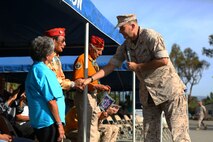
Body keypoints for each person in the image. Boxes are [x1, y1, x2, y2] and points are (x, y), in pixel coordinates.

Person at [83, 14, 191, 142]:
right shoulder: (125, 46)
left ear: (132, 25)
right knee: (150, 137)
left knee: (180, 136)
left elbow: (163, 60)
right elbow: (111, 65)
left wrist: (138, 66)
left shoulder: (151, 36)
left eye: (122, 28)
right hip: (149, 95)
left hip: (170, 91)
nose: (120, 31)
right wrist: (89, 79)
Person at [25, 36, 66, 142]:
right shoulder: (43, 71)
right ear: (47, 55)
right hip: (49, 122)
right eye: (52, 51)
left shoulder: (36, 69)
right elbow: (51, 101)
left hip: (44, 121)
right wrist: (59, 124)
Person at [72, 35, 111, 142]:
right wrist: (96, 86)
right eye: (98, 50)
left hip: (92, 96)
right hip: (84, 95)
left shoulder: (93, 62)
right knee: (87, 129)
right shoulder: (82, 59)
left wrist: (100, 88)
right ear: (91, 47)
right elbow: (78, 81)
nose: (100, 53)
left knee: (92, 127)